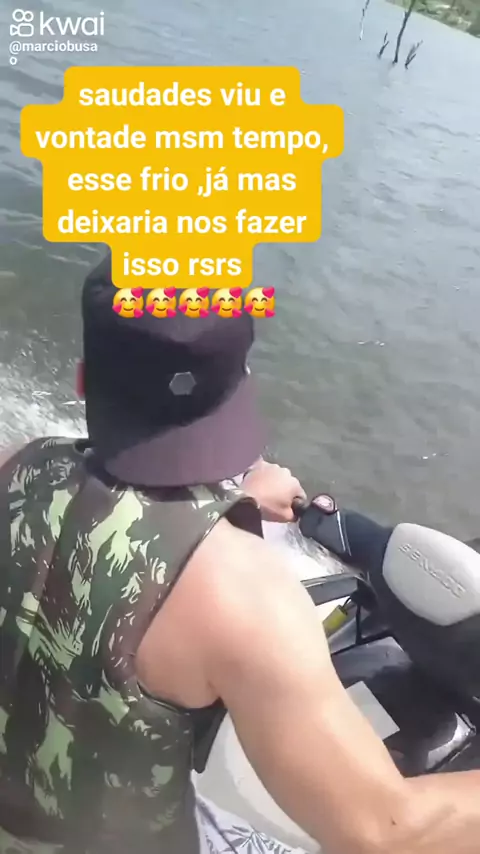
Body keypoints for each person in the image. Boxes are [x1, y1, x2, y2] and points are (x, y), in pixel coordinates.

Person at [0, 252, 479, 854]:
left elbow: (101, 523)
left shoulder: (17, 464)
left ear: (82, 380)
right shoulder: (245, 596)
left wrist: (233, 501)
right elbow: (386, 833)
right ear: (242, 384)